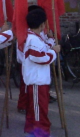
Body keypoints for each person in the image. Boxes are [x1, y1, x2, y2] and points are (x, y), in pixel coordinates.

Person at [23, 9, 60, 137]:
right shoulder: (33, 39)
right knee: (39, 112)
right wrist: (54, 52)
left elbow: (43, 48)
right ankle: (40, 133)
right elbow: (39, 57)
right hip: (36, 81)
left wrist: (51, 42)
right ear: (42, 25)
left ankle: (33, 132)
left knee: (38, 110)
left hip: (39, 80)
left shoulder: (36, 38)